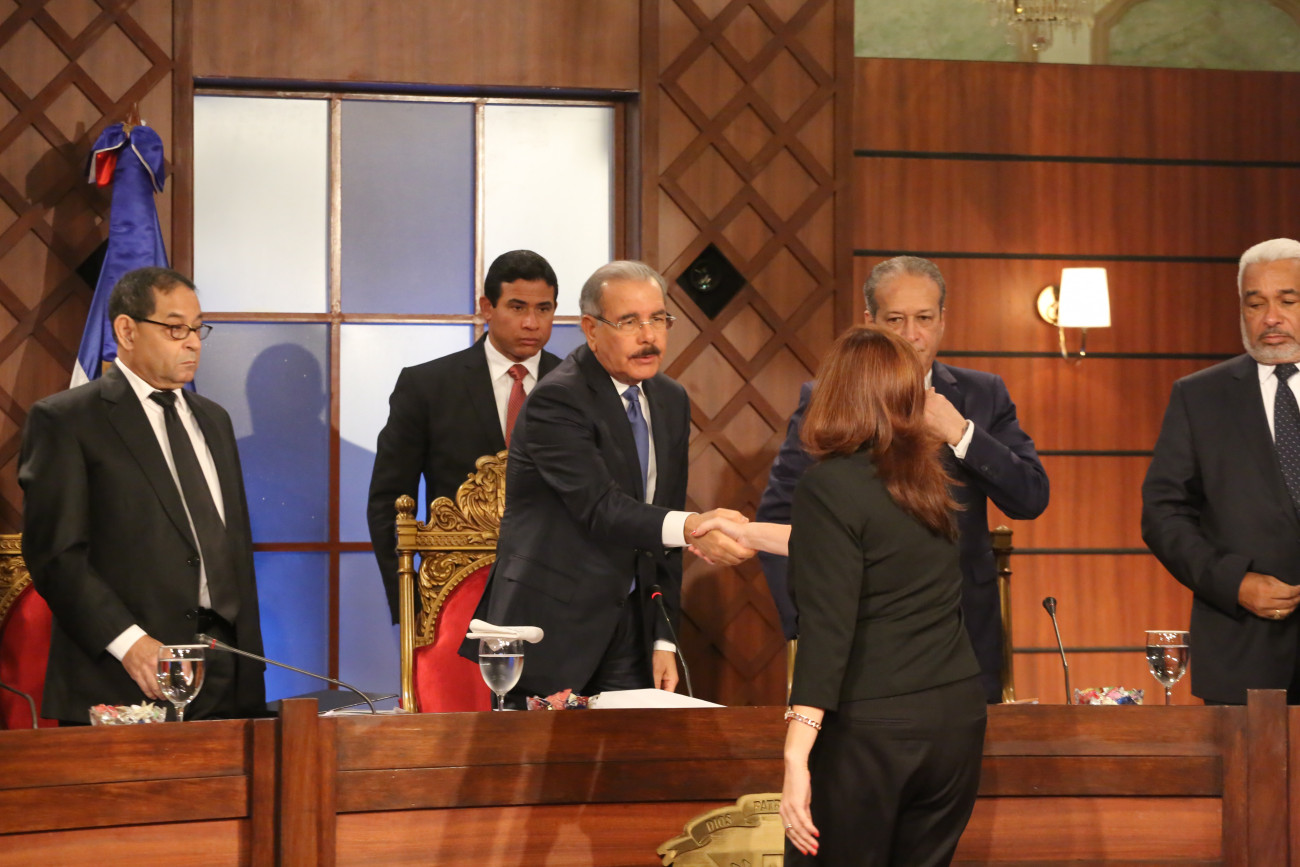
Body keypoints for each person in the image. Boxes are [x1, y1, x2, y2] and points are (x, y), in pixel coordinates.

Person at [756, 255, 1049, 703]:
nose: (911, 335)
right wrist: (810, 626)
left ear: (942, 320)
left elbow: (1030, 497)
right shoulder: (825, 399)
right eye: (895, 319)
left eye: (924, 319)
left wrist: (962, 433)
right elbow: (779, 516)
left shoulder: (983, 394)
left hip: (964, 637)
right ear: (869, 322)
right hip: (858, 644)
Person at [750, 325, 985, 865]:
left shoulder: (828, 485)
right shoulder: (929, 480)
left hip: (873, 728)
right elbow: (858, 551)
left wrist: (795, 755)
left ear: (836, 393)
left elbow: (827, 629)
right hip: (955, 720)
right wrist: (746, 532)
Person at [467, 260, 753, 701]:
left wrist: (663, 637)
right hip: (553, 626)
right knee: (545, 750)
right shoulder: (557, 399)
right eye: (629, 322)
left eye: (658, 318)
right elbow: (601, 508)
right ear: (591, 329)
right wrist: (695, 526)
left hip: (634, 627)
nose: (648, 336)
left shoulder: (670, 398)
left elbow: (663, 518)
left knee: (635, 746)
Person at [19, 267, 265, 723]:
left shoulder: (214, 420)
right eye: (175, 328)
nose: (192, 343)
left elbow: (229, 548)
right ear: (127, 331)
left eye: (197, 328)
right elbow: (57, 555)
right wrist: (130, 644)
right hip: (127, 675)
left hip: (227, 673)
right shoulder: (68, 420)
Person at [1142, 237, 1300, 705]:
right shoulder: (1199, 397)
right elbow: (1163, 515)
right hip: (1244, 651)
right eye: (1256, 303)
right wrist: (1234, 583)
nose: (1271, 317)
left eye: (1287, 300)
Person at [367, 250, 563, 624]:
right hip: (453, 594)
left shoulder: (580, 388)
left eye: (544, 309)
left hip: (559, 594)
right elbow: (389, 502)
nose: (531, 323)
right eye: (517, 307)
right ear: (487, 307)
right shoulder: (427, 386)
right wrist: (410, 603)